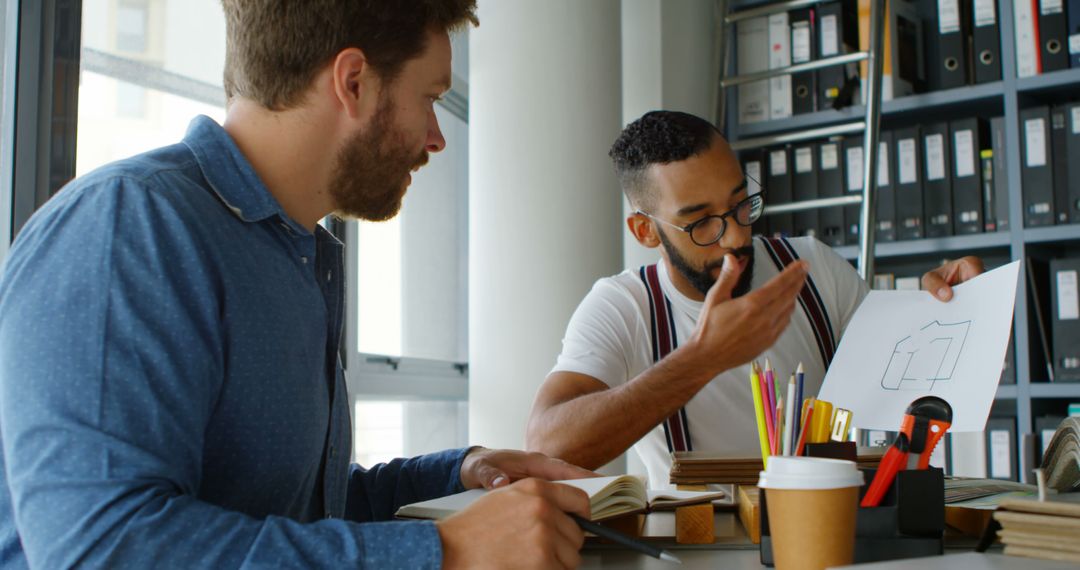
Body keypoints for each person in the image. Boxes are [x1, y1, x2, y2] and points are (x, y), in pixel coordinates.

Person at [0, 2, 594, 568]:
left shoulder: (294, 252)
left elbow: (295, 514)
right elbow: (103, 550)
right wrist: (445, 553)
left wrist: (462, 472)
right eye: (431, 98)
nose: (436, 137)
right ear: (354, 81)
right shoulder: (130, 227)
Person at [525, 110, 984, 488]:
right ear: (646, 231)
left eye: (741, 203)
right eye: (701, 222)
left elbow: (910, 379)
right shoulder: (624, 307)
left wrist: (952, 306)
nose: (736, 238)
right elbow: (547, 446)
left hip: (825, 532)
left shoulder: (810, 266)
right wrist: (702, 360)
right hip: (699, 550)